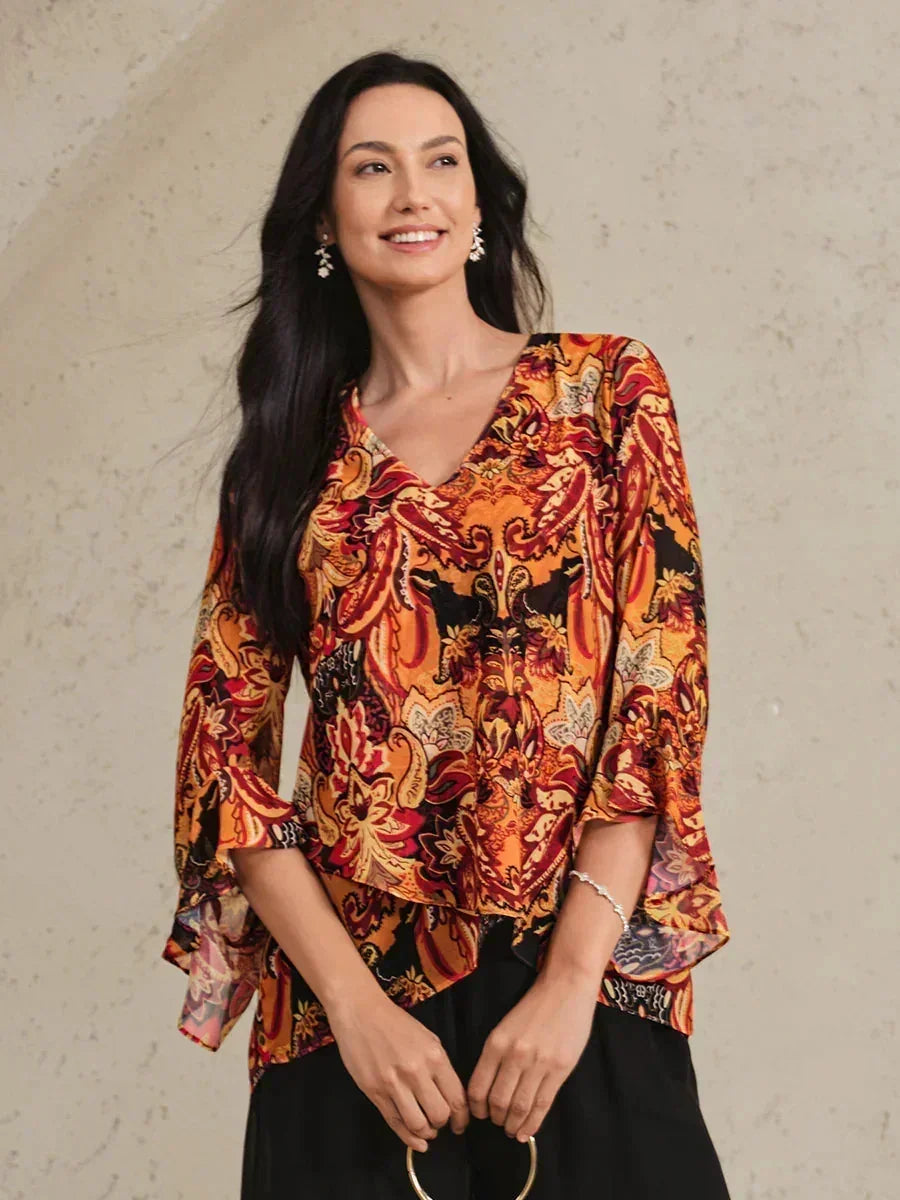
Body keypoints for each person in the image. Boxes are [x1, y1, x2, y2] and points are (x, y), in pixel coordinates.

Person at [161, 49, 733, 1200]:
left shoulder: (606, 392)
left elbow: (657, 706)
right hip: (355, 1025)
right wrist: (355, 1011)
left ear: (478, 204)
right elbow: (224, 760)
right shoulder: (286, 458)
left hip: (575, 990)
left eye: (441, 161)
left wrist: (569, 985)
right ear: (324, 218)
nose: (413, 191)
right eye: (372, 167)